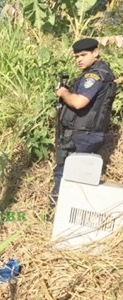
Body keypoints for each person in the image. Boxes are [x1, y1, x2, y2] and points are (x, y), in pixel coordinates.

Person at [51, 38, 117, 205]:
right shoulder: (102, 73)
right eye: (76, 56)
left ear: (96, 52)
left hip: (82, 134)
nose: (79, 59)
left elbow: (79, 102)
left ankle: (56, 213)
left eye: (83, 55)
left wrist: (63, 93)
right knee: (77, 176)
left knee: (65, 175)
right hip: (86, 133)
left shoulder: (94, 75)